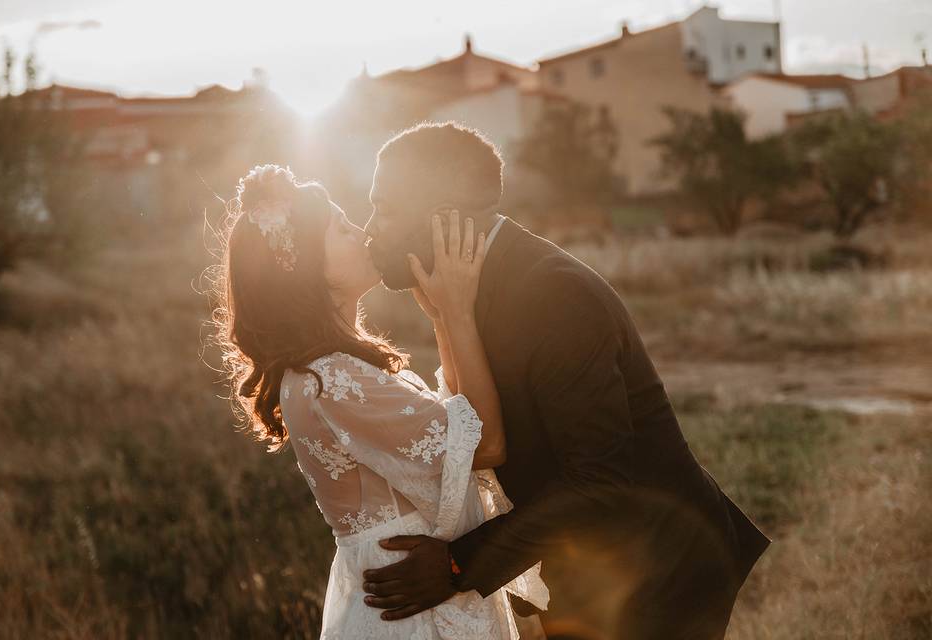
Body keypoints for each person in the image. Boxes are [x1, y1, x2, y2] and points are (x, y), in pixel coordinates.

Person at [360, 122, 771, 640]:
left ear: (444, 218)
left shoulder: (554, 297)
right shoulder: (464, 290)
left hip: (660, 567)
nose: (370, 227)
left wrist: (459, 565)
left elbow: (599, 481)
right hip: (593, 563)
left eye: (386, 207)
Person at [214, 164, 549, 639]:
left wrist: (438, 312)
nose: (362, 232)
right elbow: (486, 445)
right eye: (341, 228)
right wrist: (457, 310)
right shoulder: (332, 377)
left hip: (403, 596)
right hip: (411, 614)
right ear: (309, 266)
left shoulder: (324, 370)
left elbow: (458, 418)